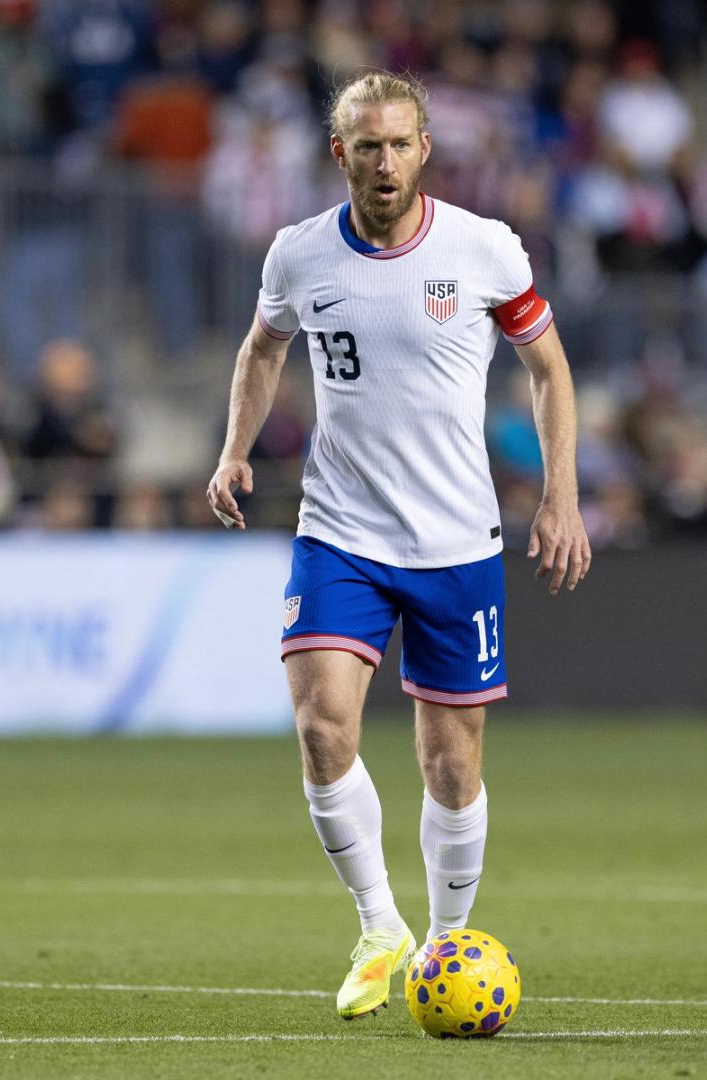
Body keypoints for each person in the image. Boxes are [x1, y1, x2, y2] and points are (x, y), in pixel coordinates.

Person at [206, 71, 591, 1021]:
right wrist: (234, 450)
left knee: (451, 765)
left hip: (457, 542)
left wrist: (561, 496)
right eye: (368, 146)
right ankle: (380, 927)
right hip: (340, 532)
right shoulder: (299, 254)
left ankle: (448, 940)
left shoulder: (484, 249)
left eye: (401, 144)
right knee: (322, 726)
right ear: (340, 153)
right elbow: (263, 348)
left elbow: (548, 369)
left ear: (426, 150)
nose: (386, 162)